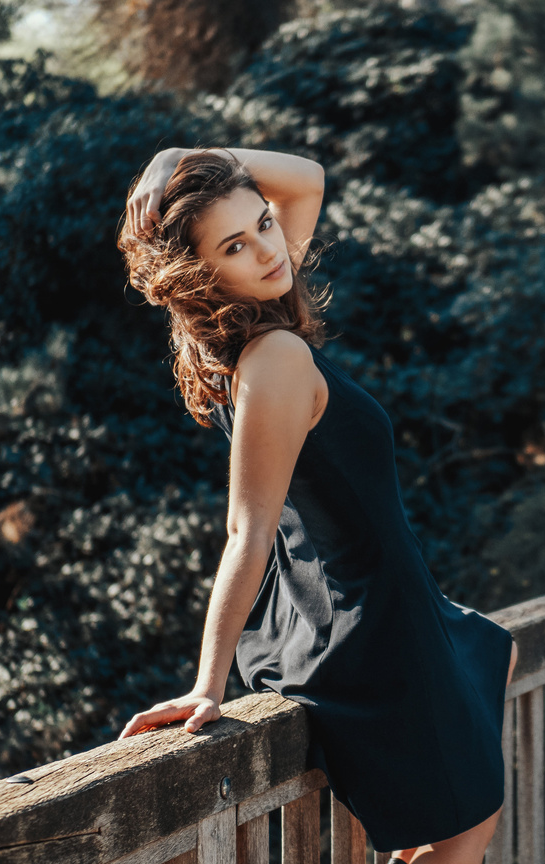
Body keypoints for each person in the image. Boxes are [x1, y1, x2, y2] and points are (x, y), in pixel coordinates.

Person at [114, 147, 518, 864]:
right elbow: (248, 528)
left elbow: (307, 179)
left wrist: (176, 159)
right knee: (470, 826)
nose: (270, 249)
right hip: (369, 626)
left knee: (496, 650)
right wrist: (208, 682)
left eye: (264, 224)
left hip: (392, 605)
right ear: (204, 274)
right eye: (235, 245)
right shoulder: (274, 358)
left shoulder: (264, 321)